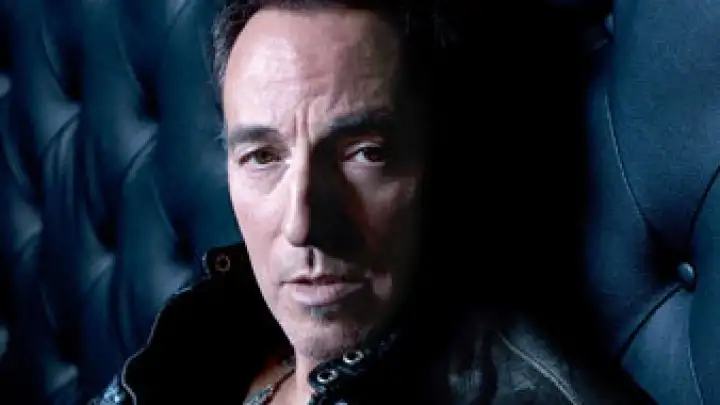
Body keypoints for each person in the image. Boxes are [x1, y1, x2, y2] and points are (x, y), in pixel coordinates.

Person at [92, 1, 655, 404]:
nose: (302, 224)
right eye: (263, 156)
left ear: (439, 160)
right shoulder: (201, 340)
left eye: (364, 153)